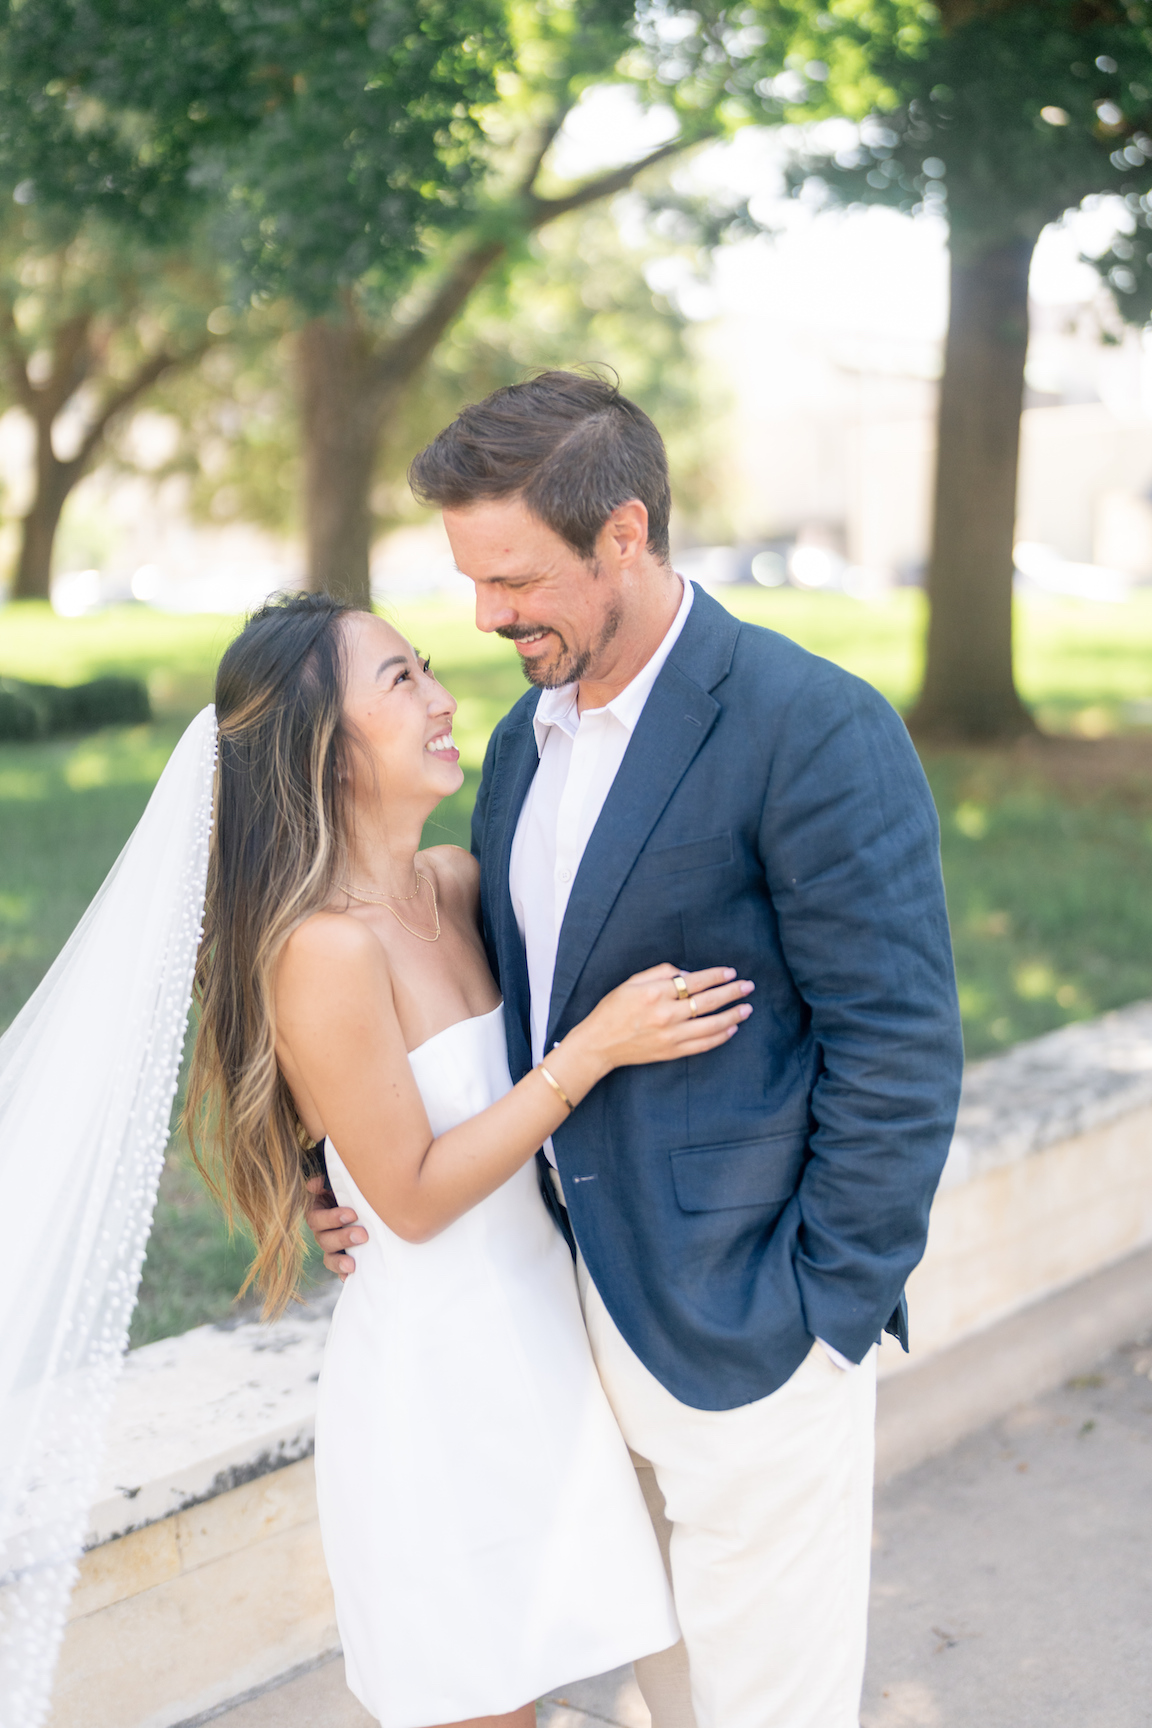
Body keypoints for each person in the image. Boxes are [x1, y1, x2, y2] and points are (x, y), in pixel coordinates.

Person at [308, 371, 965, 1728]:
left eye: (515, 578)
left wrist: (821, 1317)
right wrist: (347, 1174)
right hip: (562, 1342)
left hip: (749, 1340)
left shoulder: (810, 725)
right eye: (470, 581)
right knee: (671, 1707)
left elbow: (899, 1043)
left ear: (623, 532)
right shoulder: (514, 743)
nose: (487, 617)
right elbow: (459, 1014)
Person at [185, 591, 758, 1728]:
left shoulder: (456, 880)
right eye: (399, 681)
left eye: (428, 667)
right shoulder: (323, 952)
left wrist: (321, 1165)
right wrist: (593, 1052)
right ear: (321, 750)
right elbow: (408, 1197)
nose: (445, 697)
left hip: (549, 1352)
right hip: (438, 1394)